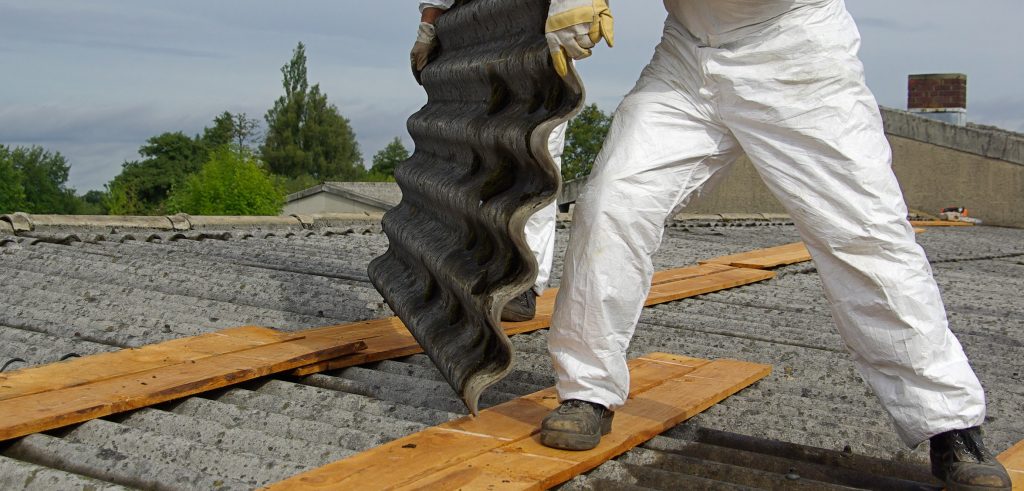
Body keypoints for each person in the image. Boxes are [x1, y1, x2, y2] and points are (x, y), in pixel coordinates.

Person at [539, 1, 1011, 490]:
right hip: (686, 54)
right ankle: (587, 391)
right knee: (610, 204)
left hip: (796, 53)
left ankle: (950, 424)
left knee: (865, 237)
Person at [412, 1, 568, 322]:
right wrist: (430, 22)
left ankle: (524, 282)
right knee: (473, 151)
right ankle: (467, 267)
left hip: (537, 31)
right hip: (481, 34)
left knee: (536, 156)